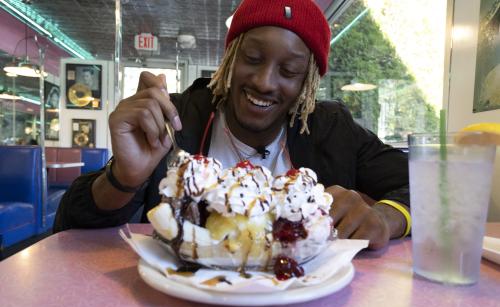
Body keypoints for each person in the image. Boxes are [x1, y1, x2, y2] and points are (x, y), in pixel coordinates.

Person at [54, 0, 410, 250]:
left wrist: (386, 218)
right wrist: (124, 179)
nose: (265, 82)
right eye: (252, 59)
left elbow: (430, 187)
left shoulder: (331, 128)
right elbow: (69, 229)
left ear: (308, 83)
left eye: (289, 71)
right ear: (229, 57)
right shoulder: (173, 118)